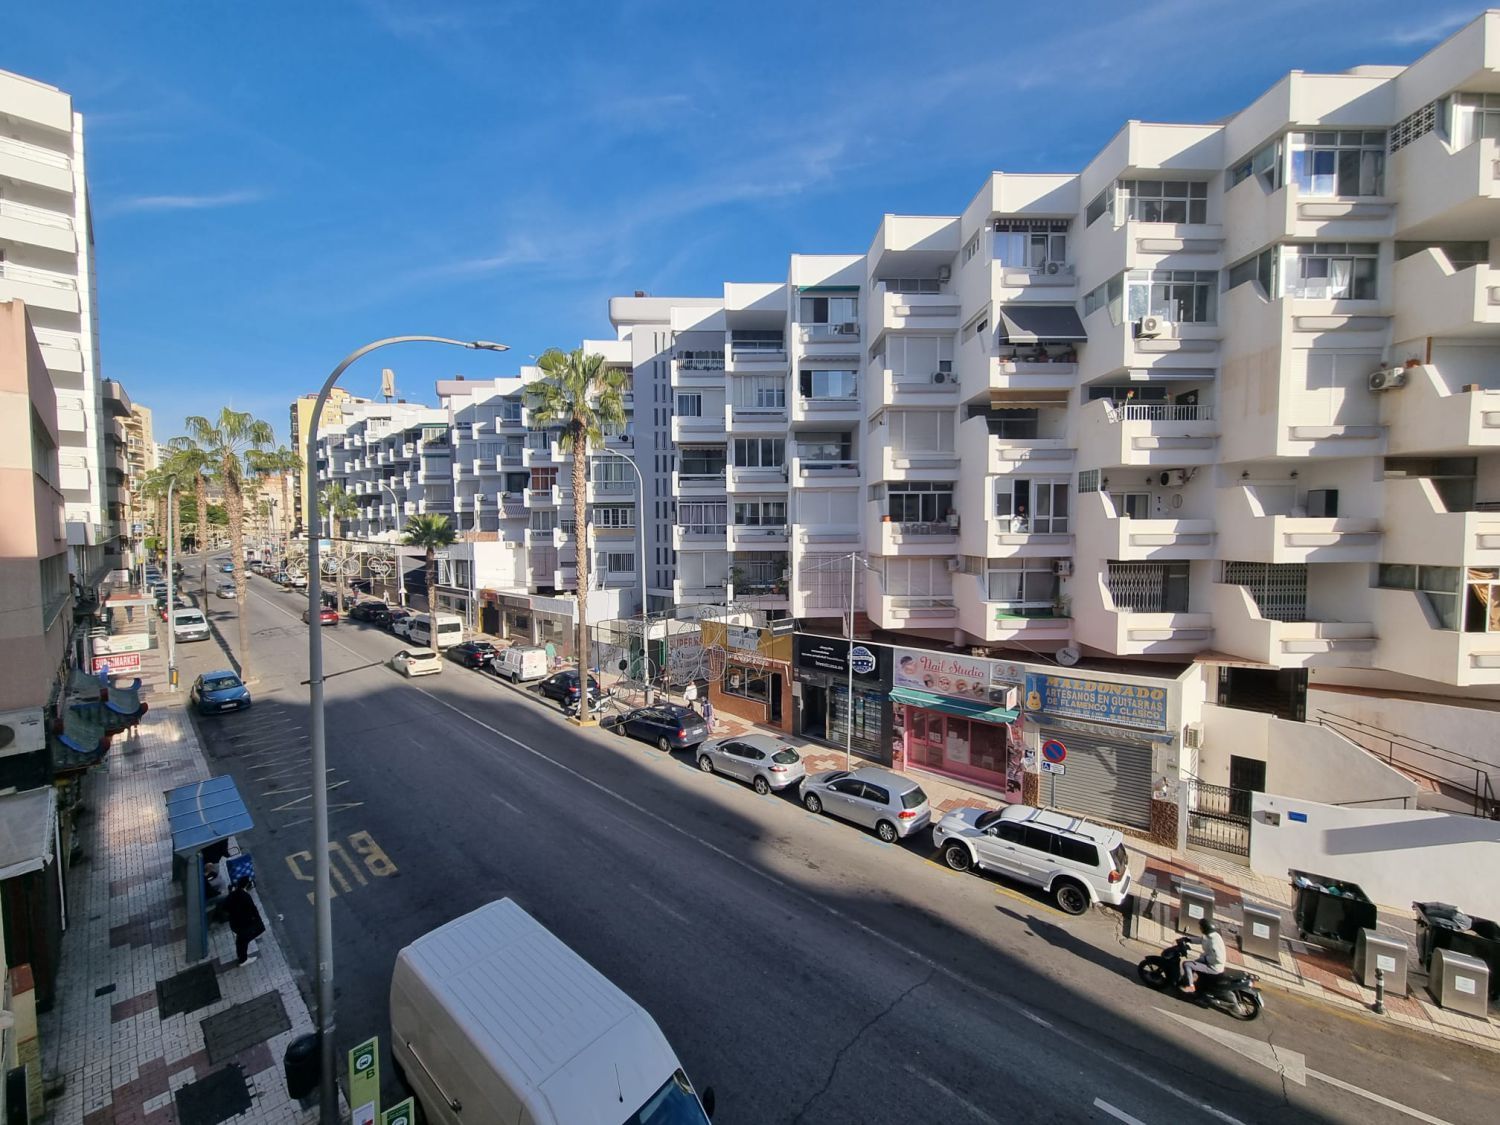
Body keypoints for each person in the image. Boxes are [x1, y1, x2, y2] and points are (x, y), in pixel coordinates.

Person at [225, 876, 266, 966]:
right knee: (245, 940)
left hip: (234, 923)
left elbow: (226, 906)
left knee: (241, 941)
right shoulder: (246, 896)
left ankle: (243, 954)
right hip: (244, 925)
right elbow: (253, 910)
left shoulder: (233, 894)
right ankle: (243, 960)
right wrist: (258, 920)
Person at [1180, 918, 1226, 994]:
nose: (1200, 928)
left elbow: (1219, 959)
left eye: (1201, 927)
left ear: (1206, 929)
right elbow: (1201, 940)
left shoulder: (1214, 942)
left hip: (1213, 967)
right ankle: (1186, 981)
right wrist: (1188, 939)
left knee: (1187, 964)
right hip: (1209, 962)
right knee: (1194, 963)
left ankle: (1191, 986)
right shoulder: (1212, 935)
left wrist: (1205, 959)